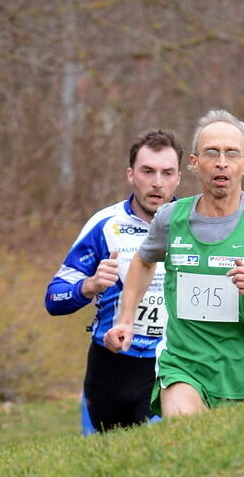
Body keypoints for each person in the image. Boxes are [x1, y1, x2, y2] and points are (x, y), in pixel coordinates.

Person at [103, 109, 244, 418]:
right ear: (195, 162)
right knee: (185, 425)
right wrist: (126, 320)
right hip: (183, 366)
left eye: (231, 153)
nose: (221, 162)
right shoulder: (171, 219)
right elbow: (144, 261)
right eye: (211, 152)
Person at [45, 129, 183, 434]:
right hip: (110, 366)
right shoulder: (105, 224)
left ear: (178, 178)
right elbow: (53, 299)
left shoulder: (194, 225)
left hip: (170, 363)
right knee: (98, 458)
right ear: (131, 174)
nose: (157, 182)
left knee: (161, 450)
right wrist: (89, 286)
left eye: (167, 173)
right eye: (148, 171)